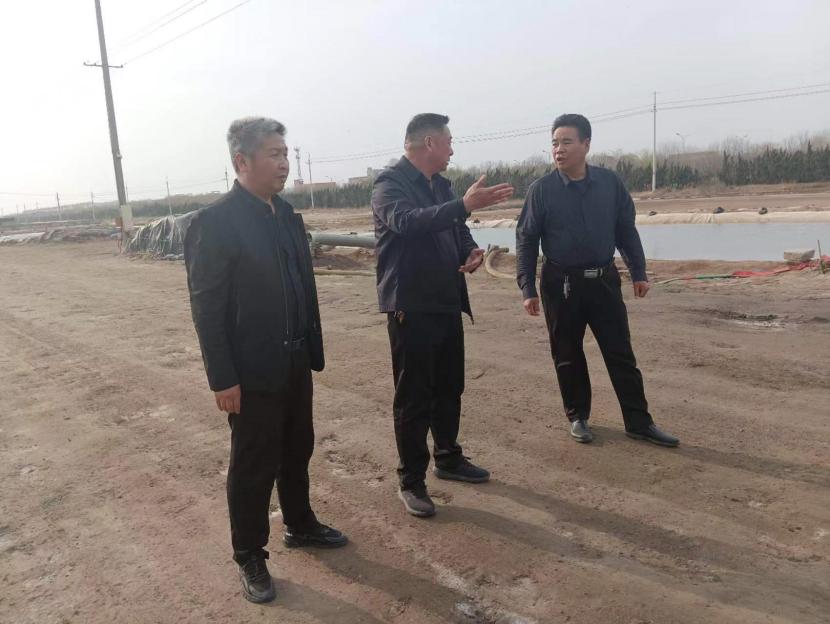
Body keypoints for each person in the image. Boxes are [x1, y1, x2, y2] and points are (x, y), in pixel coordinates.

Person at [184, 117, 347, 604]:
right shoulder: (215, 223)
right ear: (242, 161)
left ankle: (300, 523)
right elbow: (207, 309)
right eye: (274, 154)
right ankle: (250, 554)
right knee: (254, 464)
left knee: (297, 448)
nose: (284, 163)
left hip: (295, 359)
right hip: (251, 371)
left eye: (286, 153)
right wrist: (223, 378)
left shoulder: (287, 215)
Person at [372, 113, 514, 517]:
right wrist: (463, 205)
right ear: (430, 143)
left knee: (449, 387)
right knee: (414, 397)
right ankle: (411, 481)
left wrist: (469, 250)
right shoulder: (389, 185)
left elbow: (456, 227)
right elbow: (407, 223)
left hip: (447, 300)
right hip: (411, 306)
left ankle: (448, 457)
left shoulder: (442, 185)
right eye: (449, 142)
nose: (452, 150)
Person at [516, 113, 679, 448]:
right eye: (554, 143)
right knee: (567, 354)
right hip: (560, 284)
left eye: (566, 142)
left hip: (603, 281)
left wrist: (638, 271)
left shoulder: (609, 183)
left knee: (620, 353)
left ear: (586, 144)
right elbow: (526, 239)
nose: (558, 149)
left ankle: (639, 422)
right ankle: (578, 416)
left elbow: (625, 230)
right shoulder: (541, 191)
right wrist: (527, 287)